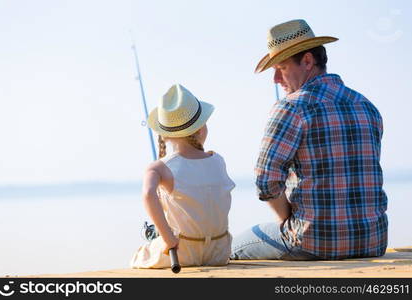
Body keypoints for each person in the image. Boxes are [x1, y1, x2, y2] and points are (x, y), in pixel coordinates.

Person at [231, 19, 388, 260]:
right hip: (372, 242)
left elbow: (265, 181)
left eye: (280, 68)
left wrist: (287, 223)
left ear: (307, 61)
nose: (275, 79)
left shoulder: (292, 107)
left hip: (312, 243)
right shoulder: (367, 106)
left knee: (230, 249)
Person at [130, 83, 235, 268]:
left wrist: (168, 239)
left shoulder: (159, 167)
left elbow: (148, 194)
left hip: (182, 253)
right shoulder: (218, 160)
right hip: (219, 252)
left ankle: (162, 237)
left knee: (140, 254)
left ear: (163, 135)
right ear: (201, 129)